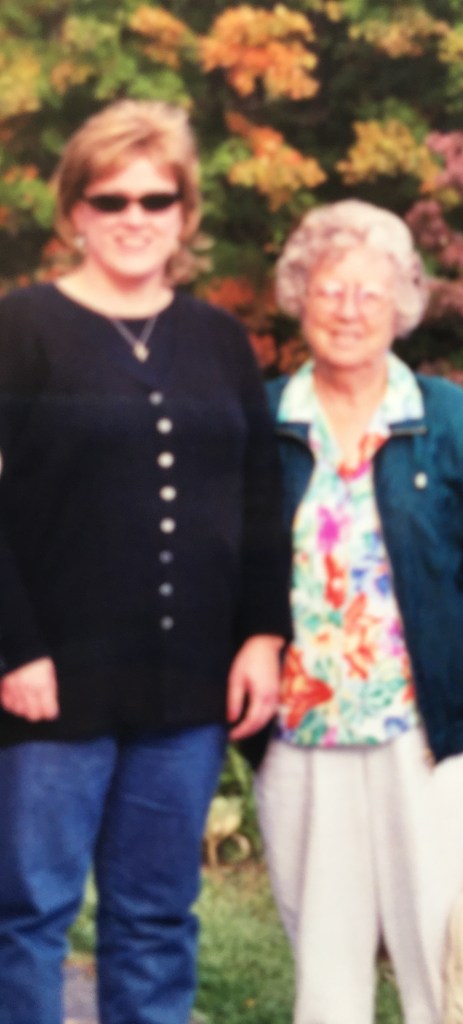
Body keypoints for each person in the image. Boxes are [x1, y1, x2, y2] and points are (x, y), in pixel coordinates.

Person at [0, 100, 291, 1024]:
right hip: (51, 684)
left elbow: (259, 499)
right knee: (27, 913)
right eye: (111, 198)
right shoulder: (21, 328)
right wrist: (14, 648)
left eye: (156, 199)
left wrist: (263, 635)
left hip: (186, 688)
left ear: (184, 213)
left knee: (157, 916)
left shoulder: (219, 340)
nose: (135, 217)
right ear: (75, 212)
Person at [249, 199, 463, 1024]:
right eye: (329, 289)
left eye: (369, 293)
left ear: (403, 303)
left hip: (427, 731)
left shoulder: (458, 427)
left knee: (437, 951)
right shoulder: (258, 423)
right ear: (299, 296)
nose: (348, 310)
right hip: (299, 730)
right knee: (324, 958)